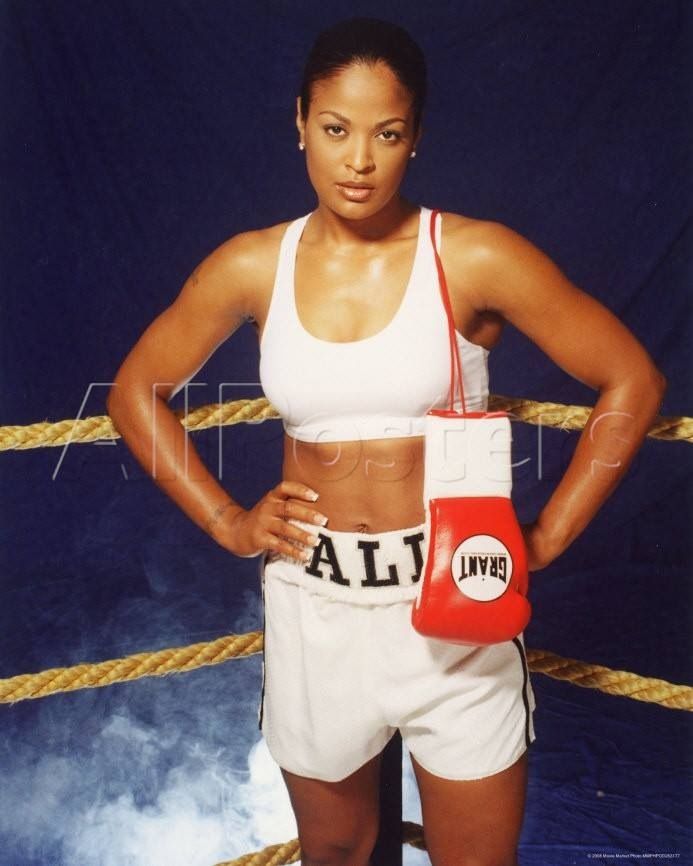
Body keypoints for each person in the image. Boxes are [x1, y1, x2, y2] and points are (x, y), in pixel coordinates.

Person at [106, 16, 666, 866]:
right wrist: (227, 521)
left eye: (386, 134)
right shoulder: (253, 265)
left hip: (457, 607)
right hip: (318, 605)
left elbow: (632, 379)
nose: (358, 160)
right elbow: (132, 394)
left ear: (415, 139)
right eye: (335, 130)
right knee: (335, 857)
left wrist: (546, 535)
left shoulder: (473, 255)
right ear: (299, 123)